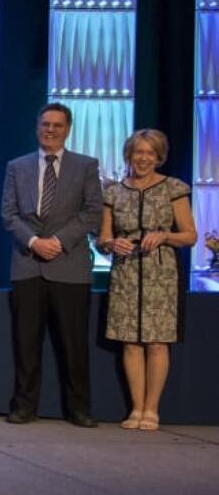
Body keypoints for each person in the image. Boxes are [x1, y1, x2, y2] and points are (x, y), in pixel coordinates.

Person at [0, 103, 102, 427]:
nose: (51, 130)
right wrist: (34, 242)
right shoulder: (17, 166)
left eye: (57, 125)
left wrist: (57, 242)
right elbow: (9, 215)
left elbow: (92, 212)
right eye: (45, 124)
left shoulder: (85, 166)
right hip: (28, 265)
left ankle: (79, 409)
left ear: (68, 129)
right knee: (26, 342)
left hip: (70, 266)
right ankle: (24, 407)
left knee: (73, 344)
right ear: (37, 127)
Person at [97, 129, 197, 432]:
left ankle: (152, 409)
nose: (143, 158)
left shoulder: (174, 188)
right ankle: (136, 408)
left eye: (150, 153)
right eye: (138, 152)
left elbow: (190, 235)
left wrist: (165, 235)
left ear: (158, 157)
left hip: (160, 272)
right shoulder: (113, 192)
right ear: (129, 154)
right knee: (130, 342)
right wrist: (112, 244)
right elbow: (102, 239)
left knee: (155, 342)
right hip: (126, 272)